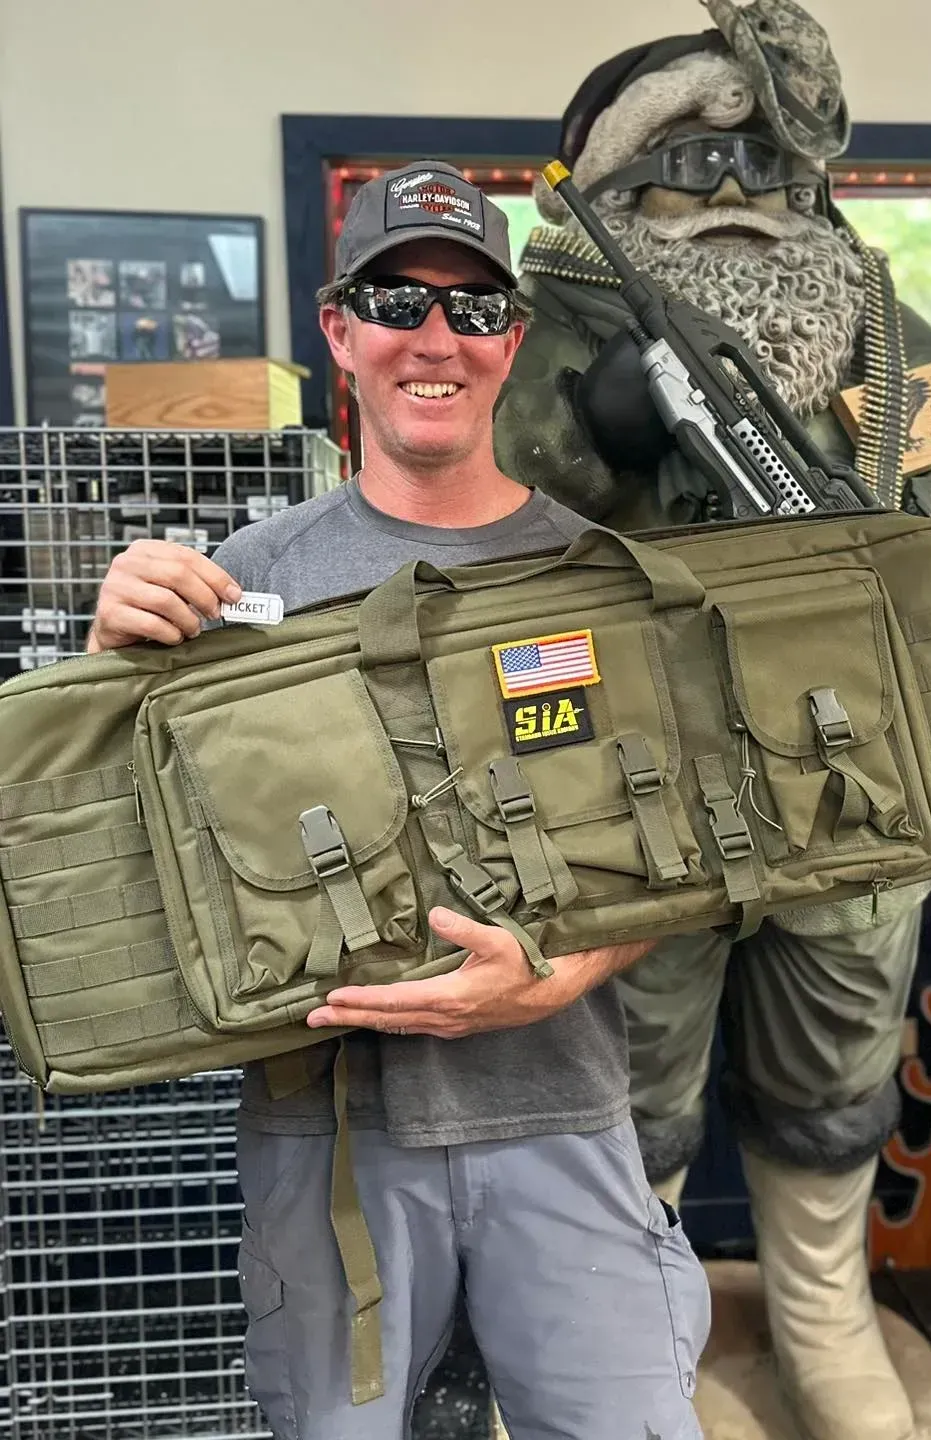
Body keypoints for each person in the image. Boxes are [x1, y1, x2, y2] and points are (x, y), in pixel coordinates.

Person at [86, 160, 711, 1440]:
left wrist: (557, 978)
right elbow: (135, 860)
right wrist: (109, 683)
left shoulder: (604, 578)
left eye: (474, 308)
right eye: (396, 301)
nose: (436, 340)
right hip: (329, 1148)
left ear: (512, 340)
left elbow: (692, 850)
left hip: (565, 1109)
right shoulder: (239, 584)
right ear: (340, 331)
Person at [492, 5, 931, 1439]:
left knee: (837, 1054)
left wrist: (857, 521)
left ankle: (820, 1315)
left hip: (855, 780)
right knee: (632, 1071)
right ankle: (637, 1322)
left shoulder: (876, 327)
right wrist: (598, 429)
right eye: (685, 160)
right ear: (610, 184)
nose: (728, 191)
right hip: (633, 783)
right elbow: (489, 509)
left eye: (756, 159)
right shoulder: (552, 323)